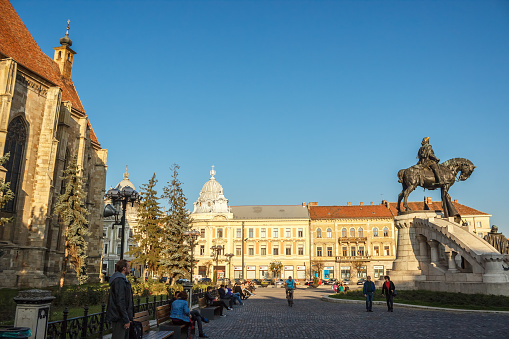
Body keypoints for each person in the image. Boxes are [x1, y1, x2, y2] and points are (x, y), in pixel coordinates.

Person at [106, 259, 134, 339]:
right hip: (119, 317)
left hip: (122, 317)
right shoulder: (119, 280)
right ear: (124, 268)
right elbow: (120, 301)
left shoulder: (122, 280)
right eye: (128, 266)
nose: (129, 268)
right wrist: (126, 319)